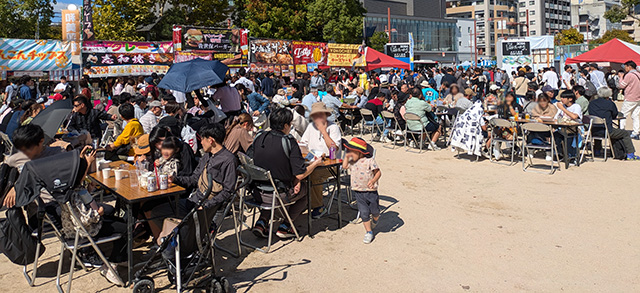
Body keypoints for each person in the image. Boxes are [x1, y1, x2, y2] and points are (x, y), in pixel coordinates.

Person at [146, 123, 237, 242]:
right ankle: (169, 246)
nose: (201, 142)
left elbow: (227, 191)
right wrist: (175, 179)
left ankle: (183, 248)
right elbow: (194, 179)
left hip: (208, 208)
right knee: (156, 213)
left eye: (202, 139)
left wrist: (206, 206)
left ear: (211, 140)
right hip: (195, 200)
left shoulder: (228, 160)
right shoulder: (207, 156)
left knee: (182, 227)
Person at [250, 108, 323, 238]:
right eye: (290, 124)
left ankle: (262, 222)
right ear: (285, 125)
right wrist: (315, 164)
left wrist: (296, 180)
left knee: (273, 187)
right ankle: (286, 226)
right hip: (278, 194)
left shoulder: (259, 137)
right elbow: (300, 174)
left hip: (258, 192)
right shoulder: (288, 141)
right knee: (306, 192)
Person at [301, 102, 342, 218]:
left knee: (314, 175)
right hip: (313, 160)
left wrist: (323, 131)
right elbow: (304, 143)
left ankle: (318, 206)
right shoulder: (310, 127)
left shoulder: (333, 128)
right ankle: (305, 201)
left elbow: (334, 148)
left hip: (330, 163)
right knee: (300, 172)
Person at [342, 137, 381, 244]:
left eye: (352, 151)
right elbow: (344, 166)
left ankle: (375, 219)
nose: (350, 153)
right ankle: (369, 232)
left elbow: (378, 172)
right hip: (358, 192)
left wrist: (373, 180)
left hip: (371, 191)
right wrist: (346, 156)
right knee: (364, 213)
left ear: (360, 152)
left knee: (375, 211)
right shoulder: (352, 162)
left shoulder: (369, 161)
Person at [588, 87, 640, 160]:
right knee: (625, 133)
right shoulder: (610, 103)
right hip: (607, 131)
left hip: (594, 130)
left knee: (598, 126)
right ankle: (630, 154)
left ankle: (597, 150)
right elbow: (614, 115)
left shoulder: (592, 103)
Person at [618, 60, 640, 139]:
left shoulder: (629, 75)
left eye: (625, 66)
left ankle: (621, 131)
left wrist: (621, 77)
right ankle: (636, 132)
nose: (625, 68)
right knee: (635, 115)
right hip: (638, 98)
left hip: (630, 98)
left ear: (629, 67)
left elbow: (621, 85)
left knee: (623, 115)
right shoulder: (638, 74)